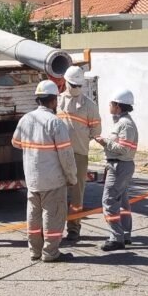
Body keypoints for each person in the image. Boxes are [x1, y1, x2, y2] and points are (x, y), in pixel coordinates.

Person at [12, 80, 78, 262]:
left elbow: (15, 143)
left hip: (32, 179)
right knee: (53, 215)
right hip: (53, 180)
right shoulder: (55, 123)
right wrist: (72, 177)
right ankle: (50, 253)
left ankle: (35, 251)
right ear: (54, 100)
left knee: (33, 215)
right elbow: (66, 156)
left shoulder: (26, 119)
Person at [57, 65, 101, 243]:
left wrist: (80, 140)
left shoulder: (89, 105)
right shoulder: (57, 102)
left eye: (78, 86)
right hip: (58, 155)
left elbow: (95, 130)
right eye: (72, 85)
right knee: (57, 193)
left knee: (77, 195)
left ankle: (74, 229)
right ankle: (55, 228)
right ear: (65, 82)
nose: (75, 88)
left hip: (79, 154)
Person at [94, 89, 138, 252]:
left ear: (118, 106)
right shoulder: (123, 122)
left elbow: (124, 149)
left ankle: (116, 237)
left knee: (109, 201)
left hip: (119, 166)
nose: (109, 106)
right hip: (120, 166)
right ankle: (125, 234)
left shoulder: (125, 124)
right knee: (122, 202)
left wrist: (105, 142)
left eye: (111, 104)